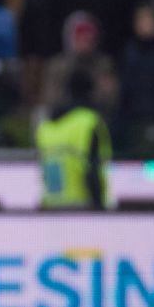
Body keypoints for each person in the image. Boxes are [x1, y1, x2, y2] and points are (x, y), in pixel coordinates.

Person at [37, 71, 111, 210]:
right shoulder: (88, 122)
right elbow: (91, 168)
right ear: (91, 92)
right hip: (82, 207)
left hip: (50, 208)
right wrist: (100, 208)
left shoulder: (47, 126)